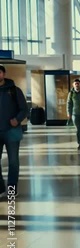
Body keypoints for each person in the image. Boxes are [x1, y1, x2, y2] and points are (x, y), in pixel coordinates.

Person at [0, 65, 28, 198]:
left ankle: (12, 188)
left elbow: (24, 109)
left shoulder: (14, 90)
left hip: (11, 131)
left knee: (13, 161)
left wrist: (17, 120)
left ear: (4, 74)